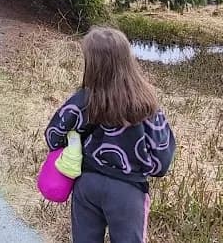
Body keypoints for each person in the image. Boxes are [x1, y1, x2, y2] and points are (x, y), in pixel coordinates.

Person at [44, 26, 176, 243]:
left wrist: (77, 143)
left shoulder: (84, 100)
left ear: (92, 64)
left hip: (87, 184)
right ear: (127, 59)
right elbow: (162, 162)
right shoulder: (147, 105)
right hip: (128, 191)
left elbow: (53, 136)